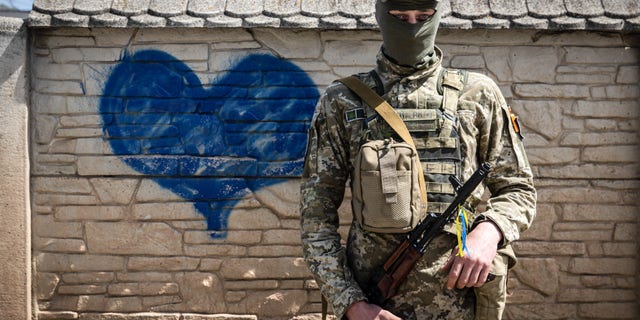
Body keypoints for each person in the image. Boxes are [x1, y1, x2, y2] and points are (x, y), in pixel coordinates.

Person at [300, 0, 537, 319]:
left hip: (460, 303)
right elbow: (316, 215)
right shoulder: (342, 101)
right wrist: (351, 303)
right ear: (381, 16)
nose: (412, 26)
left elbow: (518, 189)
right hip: (374, 304)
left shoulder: (478, 95)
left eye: (423, 17)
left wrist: (489, 230)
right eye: (400, 17)